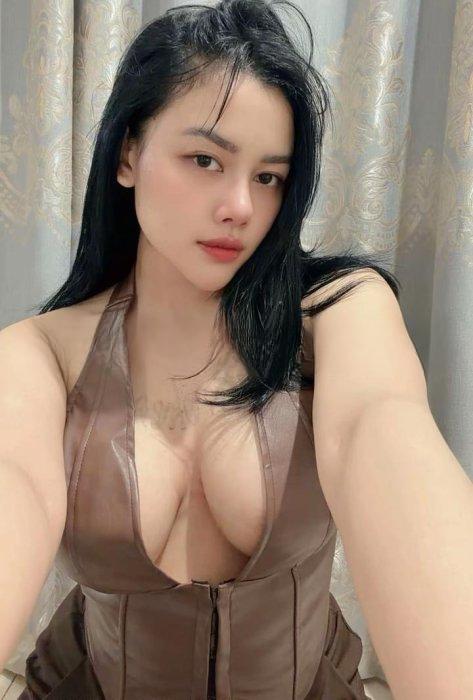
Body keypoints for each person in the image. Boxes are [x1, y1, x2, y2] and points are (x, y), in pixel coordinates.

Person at [2, 0, 472, 698]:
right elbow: (12, 481)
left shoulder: (339, 312)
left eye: (267, 176)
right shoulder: (41, 353)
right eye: (204, 159)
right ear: (128, 154)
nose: (241, 208)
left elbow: (380, 428)